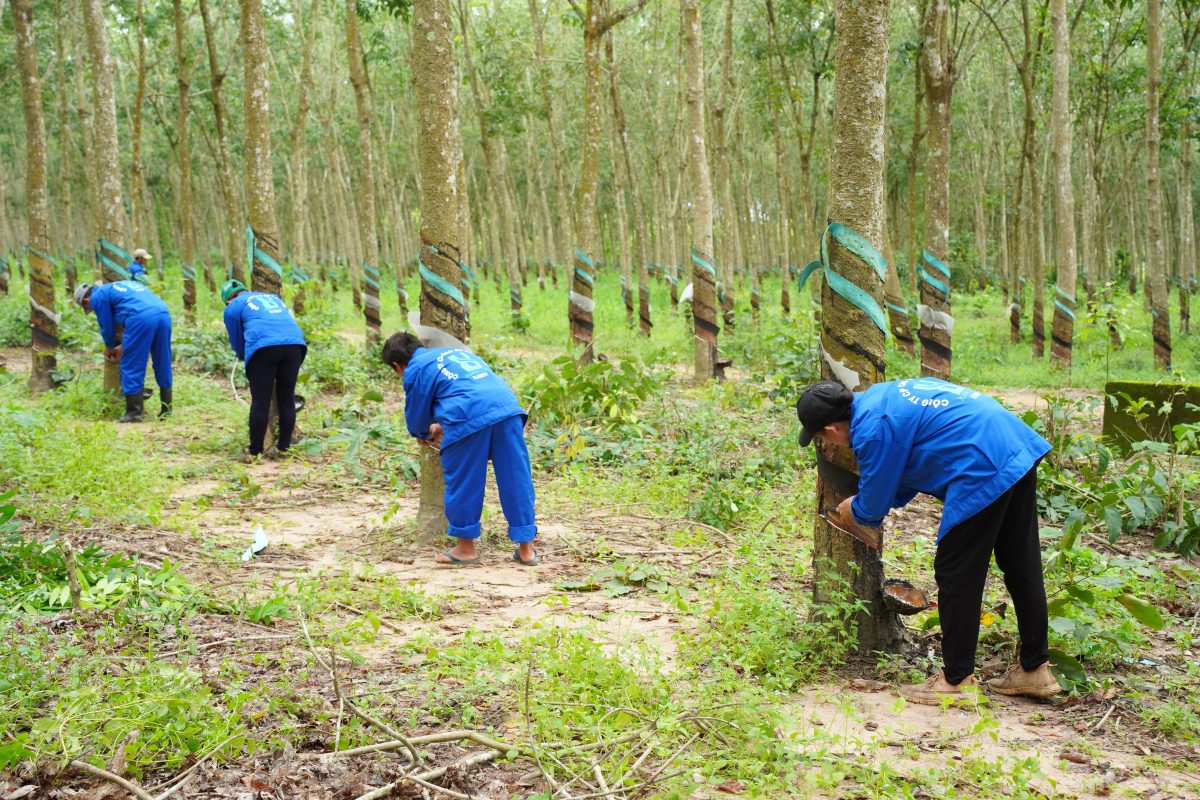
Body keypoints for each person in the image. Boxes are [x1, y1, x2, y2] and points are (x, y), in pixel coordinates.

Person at [795, 377, 1060, 704]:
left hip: (980, 464)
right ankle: (1035, 669)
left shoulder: (873, 430)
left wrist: (855, 509)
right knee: (1021, 565)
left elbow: (872, 508)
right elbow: (905, 469)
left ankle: (956, 680)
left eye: (822, 437)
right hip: (1011, 445)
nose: (830, 444)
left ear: (832, 429)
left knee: (956, 572)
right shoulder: (877, 399)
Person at [381, 331, 538, 566]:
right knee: (517, 479)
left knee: (465, 481)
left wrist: (422, 433)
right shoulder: (456, 354)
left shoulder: (415, 369)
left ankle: (466, 548)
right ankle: (527, 549)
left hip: (468, 418)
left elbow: (416, 412)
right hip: (507, 410)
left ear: (397, 366)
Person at [221, 280, 307, 460]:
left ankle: (254, 452)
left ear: (228, 299)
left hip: (264, 348)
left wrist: (245, 356)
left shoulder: (233, 306)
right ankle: (284, 449)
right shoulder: (273, 298)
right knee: (286, 398)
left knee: (260, 402)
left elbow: (237, 340)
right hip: (295, 345)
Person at [74, 280, 173, 422]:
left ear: (86, 300)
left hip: (140, 318)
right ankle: (166, 409)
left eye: (88, 307)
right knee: (163, 359)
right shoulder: (122, 285)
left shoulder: (98, 296)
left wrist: (110, 346)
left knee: (131, 364)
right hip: (163, 314)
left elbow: (107, 325)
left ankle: (134, 413)